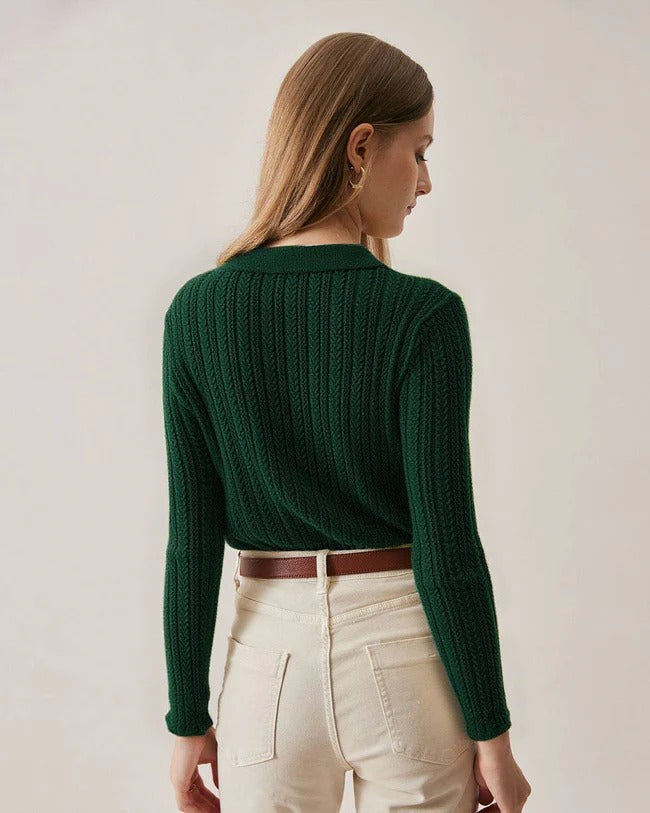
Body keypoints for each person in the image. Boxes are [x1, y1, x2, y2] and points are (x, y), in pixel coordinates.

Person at [161, 31, 532, 813]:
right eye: (419, 151)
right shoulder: (421, 316)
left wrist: (187, 719)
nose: (425, 181)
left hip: (266, 666)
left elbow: (191, 538)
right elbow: (448, 547)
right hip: (403, 656)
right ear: (361, 147)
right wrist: (493, 734)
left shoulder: (197, 312)